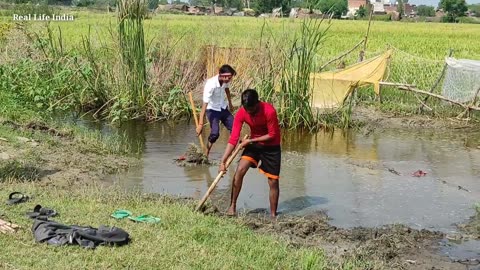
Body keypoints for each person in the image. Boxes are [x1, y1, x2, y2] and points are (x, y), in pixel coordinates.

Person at [219, 89, 281, 218]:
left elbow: (272, 134)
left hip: (271, 146)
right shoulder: (242, 112)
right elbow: (233, 139)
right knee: (240, 169)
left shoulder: (269, 111)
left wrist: (250, 140)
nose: (249, 113)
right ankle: (232, 206)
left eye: (252, 110)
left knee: (273, 181)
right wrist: (223, 161)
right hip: (253, 144)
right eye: (247, 110)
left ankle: (273, 215)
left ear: (257, 103)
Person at [197, 64, 236, 156]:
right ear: (223, 76)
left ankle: (231, 152)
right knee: (215, 134)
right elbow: (204, 105)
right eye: (229, 78)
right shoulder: (211, 84)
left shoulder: (226, 81)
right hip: (212, 110)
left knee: (235, 128)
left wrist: (230, 103)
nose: (230, 80)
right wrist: (200, 124)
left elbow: (227, 89)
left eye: (231, 77)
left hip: (222, 107)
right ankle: (206, 153)